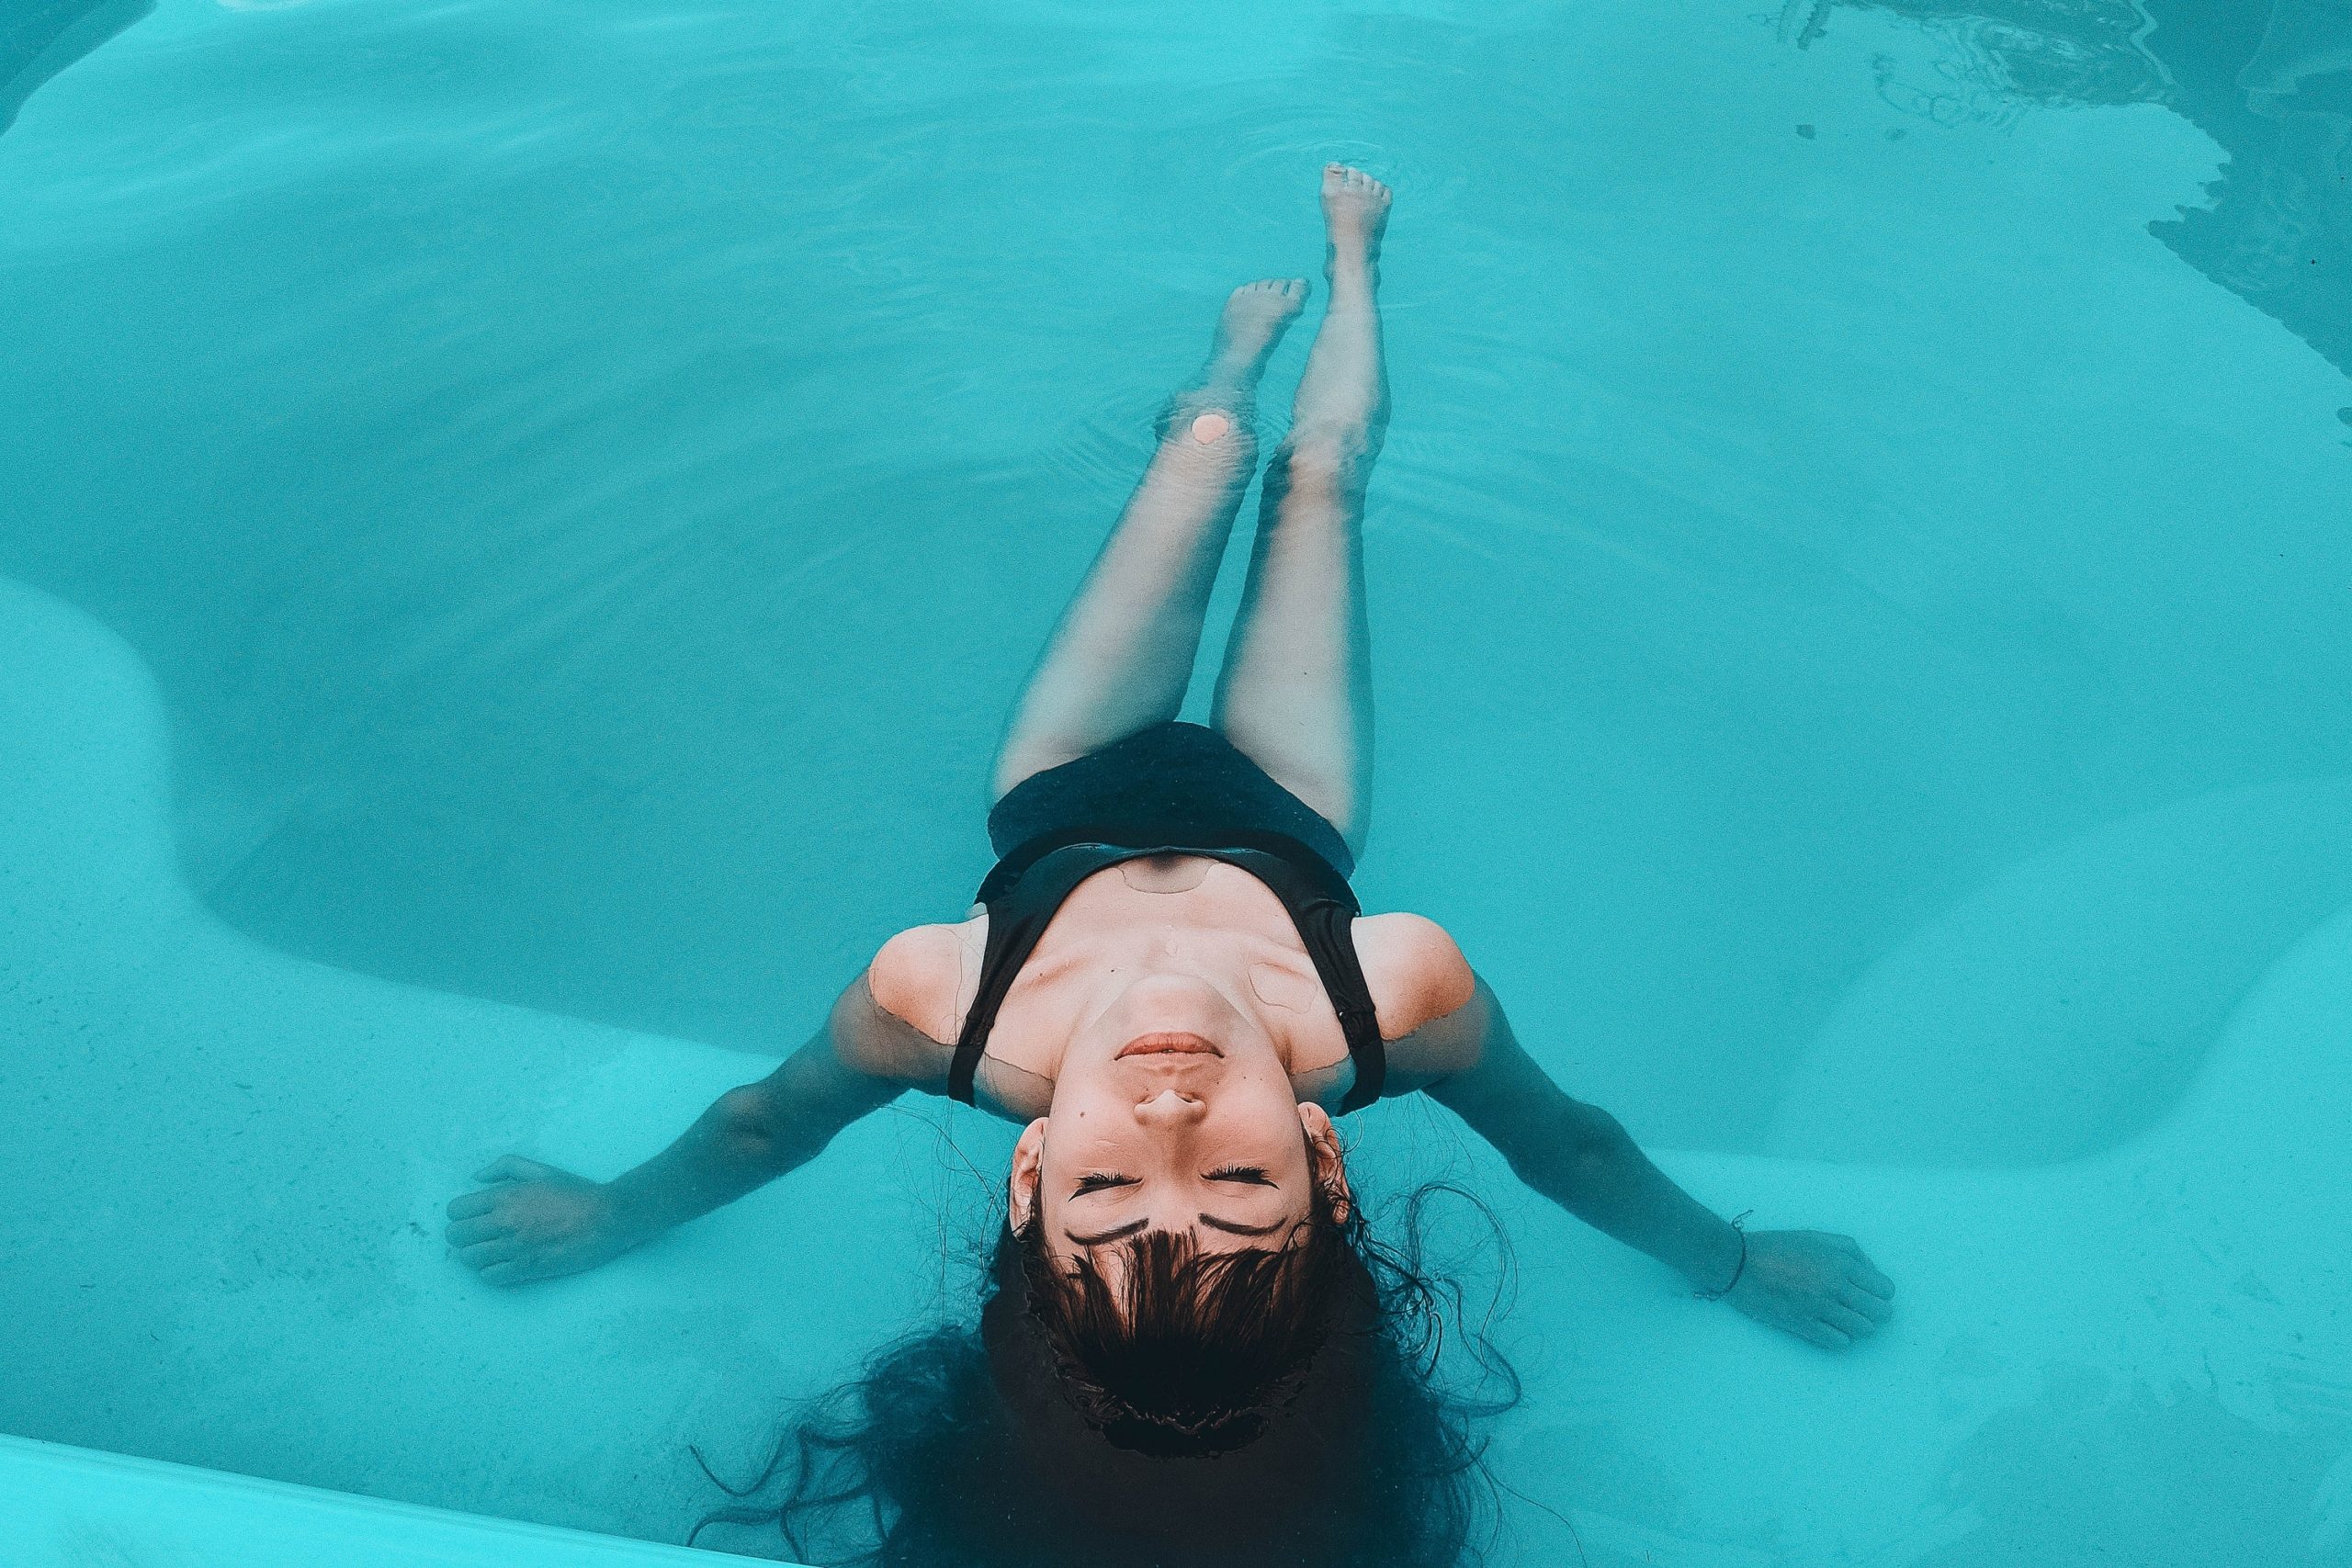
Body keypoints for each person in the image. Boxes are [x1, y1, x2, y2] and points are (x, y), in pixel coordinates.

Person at [447, 164, 1894, 1556]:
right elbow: (1570, 1140)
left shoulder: (948, 1001)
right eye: (1240, 1189)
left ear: (1029, 1184)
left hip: (1067, 787)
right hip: (1289, 803)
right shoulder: (1385, 992)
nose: (1168, 1123)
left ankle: (1228, 361)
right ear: (1322, 1161)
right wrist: (1735, 1262)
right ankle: (1346, 277)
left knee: (1204, 455)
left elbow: (768, 1122)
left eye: (1107, 1194)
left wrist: (612, 1210)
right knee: (1319, 479)